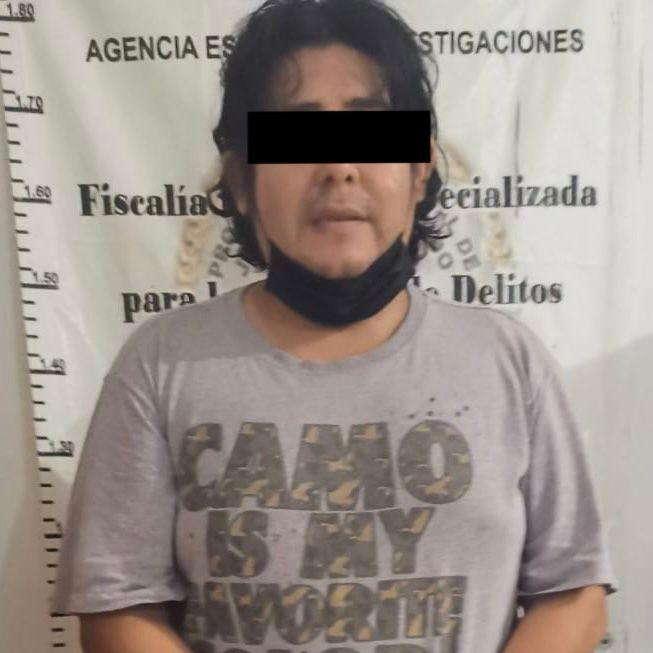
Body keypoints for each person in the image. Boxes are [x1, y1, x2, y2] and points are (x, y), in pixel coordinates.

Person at [52, 1, 618, 652]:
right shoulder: (160, 365)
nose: (339, 167)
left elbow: (573, 593)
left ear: (419, 169)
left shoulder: (507, 360)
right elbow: (116, 607)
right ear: (241, 181)